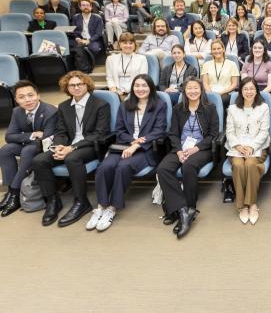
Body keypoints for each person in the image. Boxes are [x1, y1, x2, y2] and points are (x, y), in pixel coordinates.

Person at [88, 75, 167, 232]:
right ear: (132, 88)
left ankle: (112, 208)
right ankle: (101, 206)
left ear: (150, 87)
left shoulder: (159, 105)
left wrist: (137, 144)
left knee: (123, 167)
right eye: (137, 85)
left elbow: (159, 131)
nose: (140, 89)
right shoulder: (125, 105)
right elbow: (119, 130)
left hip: (146, 148)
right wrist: (131, 142)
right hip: (123, 145)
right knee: (105, 167)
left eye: (144, 85)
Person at [32, 71, 110, 227]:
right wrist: (59, 146)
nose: (76, 87)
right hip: (67, 146)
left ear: (87, 85)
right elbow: (61, 132)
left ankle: (82, 202)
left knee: (72, 157)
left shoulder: (100, 104)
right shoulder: (63, 106)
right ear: (67, 88)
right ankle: (53, 201)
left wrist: (71, 148)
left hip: (90, 146)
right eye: (72, 85)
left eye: (80, 84)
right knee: (39, 160)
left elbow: (99, 134)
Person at [157, 77, 219, 238]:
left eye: (196, 88)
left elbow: (213, 134)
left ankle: (190, 206)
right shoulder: (178, 108)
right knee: (163, 169)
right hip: (180, 148)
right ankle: (184, 210)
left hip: (201, 149)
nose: (192, 91)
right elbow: (173, 133)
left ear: (201, 90)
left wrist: (196, 148)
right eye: (189, 88)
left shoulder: (210, 108)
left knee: (188, 167)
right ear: (184, 91)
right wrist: (178, 150)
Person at [0, 81, 57, 217]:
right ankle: (10, 191)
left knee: (27, 150)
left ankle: (14, 193)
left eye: (30, 95)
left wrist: (22, 137)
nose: (27, 100)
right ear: (16, 100)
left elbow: (47, 137)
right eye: (22, 97)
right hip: (29, 143)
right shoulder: (17, 111)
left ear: (38, 95)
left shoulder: (50, 112)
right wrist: (32, 134)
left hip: (46, 147)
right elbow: (9, 136)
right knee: (5, 150)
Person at [225, 77, 271, 224]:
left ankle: (251, 204)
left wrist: (252, 146)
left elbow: (264, 132)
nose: (249, 92)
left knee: (250, 164)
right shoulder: (232, 109)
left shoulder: (263, 107)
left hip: (257, 147)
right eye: (245, 89)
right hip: (237, 147)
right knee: (238, 165)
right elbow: (229, 132)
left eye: (252, 88)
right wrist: (238, 146)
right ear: (240, 91)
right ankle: (242, 206)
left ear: (257, 90)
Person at [106, 33, 148, 100]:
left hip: (136, 92)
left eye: (131, 43)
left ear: (134, 45)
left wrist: (133, 92)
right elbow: (110, 78)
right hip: (116, 92)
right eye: (125, 43)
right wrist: (114, 90)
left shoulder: (142, 59)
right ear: (120, 44)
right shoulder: (110, 59)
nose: (128, 46)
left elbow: (142, 79)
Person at [201, 40, 240, 108]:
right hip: (210, 92)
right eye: (214, 49)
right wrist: (212, 94)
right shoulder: (206, 64)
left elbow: (234, 84)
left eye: (219, 48)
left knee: (220, 100)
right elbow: (205, 83)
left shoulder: (232, 64)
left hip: (226, 93)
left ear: (223, 49)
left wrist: (221, 93)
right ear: (211, 51)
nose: (216, 51)